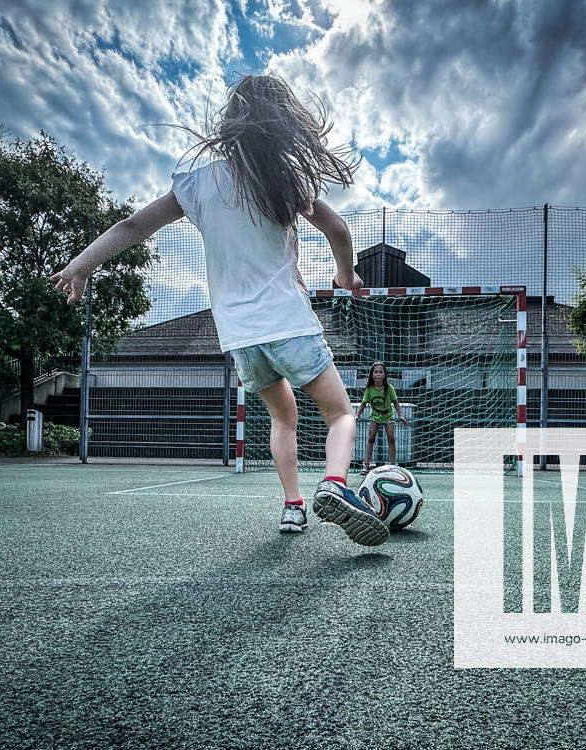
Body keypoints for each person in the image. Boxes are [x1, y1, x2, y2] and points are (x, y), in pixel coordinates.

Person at [49, 74, 388, 547]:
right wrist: (346, 276)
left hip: (239, 337)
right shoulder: (284, 181)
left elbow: (131, 225)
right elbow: (338, 230)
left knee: (283, 417)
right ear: (283, 126)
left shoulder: (198, 184)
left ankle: (293, 507)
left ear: (229, 123)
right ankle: (334, 486)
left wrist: (81, 266)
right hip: (288, 323)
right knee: (340, 414)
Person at [355, 362, 409, 473]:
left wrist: (401, 415)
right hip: (375, 416)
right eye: (376, 372)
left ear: (384, 374)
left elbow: (396, 403)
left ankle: (393, 465)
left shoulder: (389, 388)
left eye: (381, 372)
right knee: (371, 438)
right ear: (372, 374)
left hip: (388, 415)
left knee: (391, 437)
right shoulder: (369, 390)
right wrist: (357, 415)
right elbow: (364, 404)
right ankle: (366, 465)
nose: (378, 374)